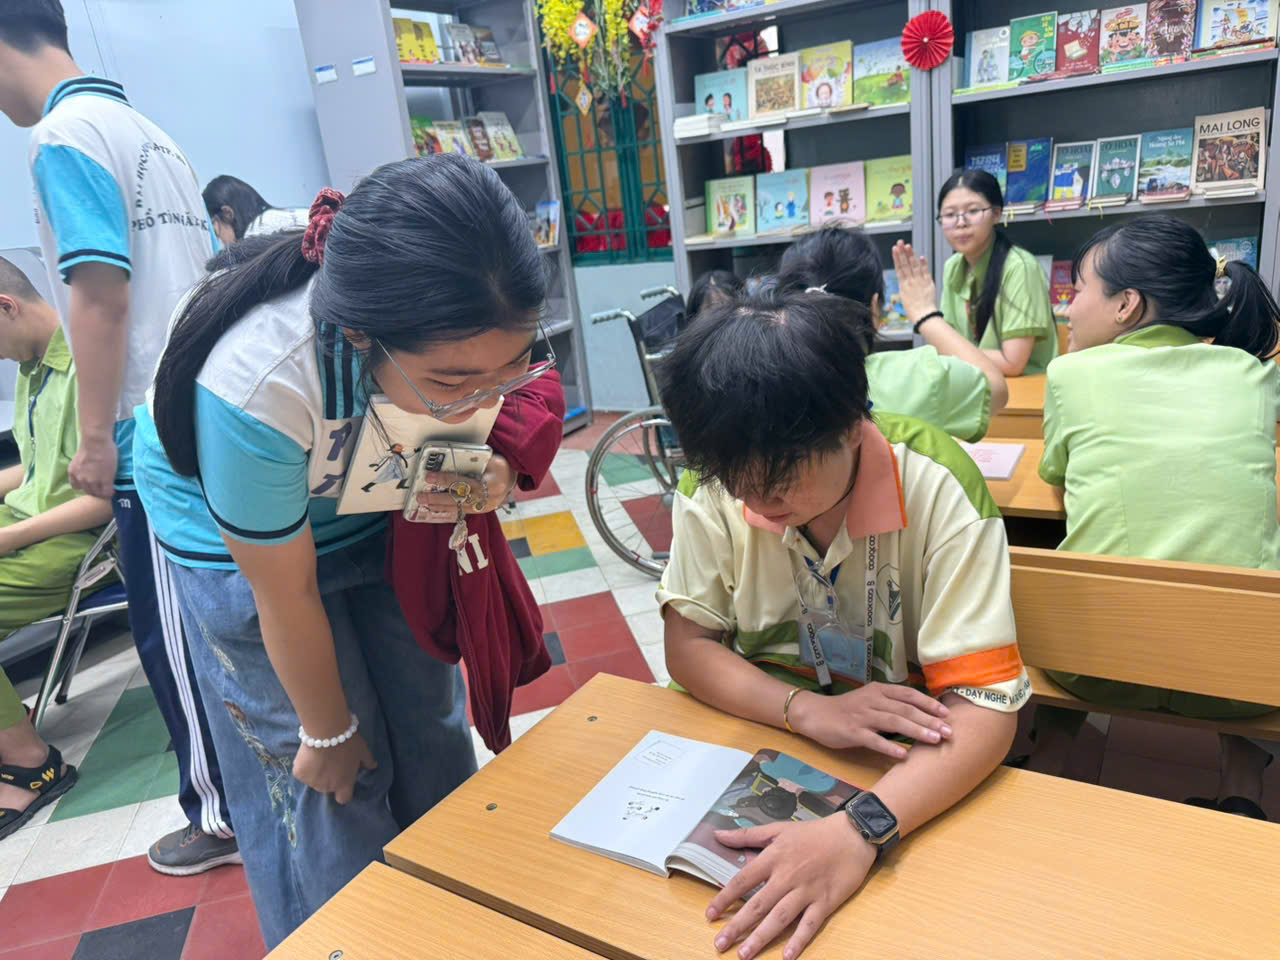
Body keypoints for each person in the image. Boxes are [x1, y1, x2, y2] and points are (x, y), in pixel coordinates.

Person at [134, 153, 552, 946]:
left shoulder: (464, 339)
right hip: (240, 547)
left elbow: (470, 428)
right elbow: (283, 594)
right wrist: (326, 730)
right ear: (360, 336)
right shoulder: (257, 381)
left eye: (511, 366)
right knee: (329, 779)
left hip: (370, 499)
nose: (485, 397)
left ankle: (455, 926)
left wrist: (487, 471)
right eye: (454, 381)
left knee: (431, 730)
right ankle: (348, 938)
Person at [656, 286, 1029, 960]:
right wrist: (807, 711)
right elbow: (688, 646)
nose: (755, 499)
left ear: (854, 423)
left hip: (903, 770)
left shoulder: (937, 484)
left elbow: (984, 707)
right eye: (734, 475)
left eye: (782, 474)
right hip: (760, 736)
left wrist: (861, 828)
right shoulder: (716, 486)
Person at [0, 0, 236, 873]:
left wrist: (97, 439)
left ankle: (221, 818)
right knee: (215, 626)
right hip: (205, 410)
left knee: (175, 642)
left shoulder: (61, 137)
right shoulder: (149, 132)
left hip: (151, 433)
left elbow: (99, 294)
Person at [1030, 213, 1280, 820]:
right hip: (1243, 674)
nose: (1068, 307)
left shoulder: (1069, 374)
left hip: (1096, 667)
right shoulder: (1254, 374)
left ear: (1127, 305)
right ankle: (1242, 791)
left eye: (1079, 290)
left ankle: (1047, 765)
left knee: (1083, 579)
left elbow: (1055, 475)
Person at [0, 255, 107, 840]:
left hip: (72, 540)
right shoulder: (32, 366)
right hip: (29, 521)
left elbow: (105, 498)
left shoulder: (92, 365)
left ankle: (30, 763)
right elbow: (39, 466)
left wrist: (9, 537)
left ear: (6, 307)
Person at [778, 226, 1008, 441]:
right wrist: (926, 314)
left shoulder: (768, 382)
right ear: (875, 308)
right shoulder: (920, 377)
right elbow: (994, 387)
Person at [911, 170, 1057, 376]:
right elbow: (946, 345)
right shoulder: (953, 266)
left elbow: (1012, 363)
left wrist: (933, 325)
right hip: (976, 382)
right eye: (950, 215)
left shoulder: (1020, 267)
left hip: (1024, 388)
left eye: (972, 211)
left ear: (996, 214)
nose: (961, 223)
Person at [203, 174, 308, 246]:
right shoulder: (272, 218)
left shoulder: (257, 235)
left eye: (216, 232)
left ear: (228, 214)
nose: (221, 243)